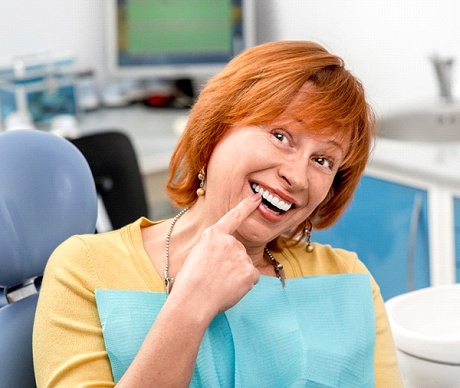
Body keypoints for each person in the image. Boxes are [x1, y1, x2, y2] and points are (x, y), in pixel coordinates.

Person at [33, 40, 403, 387]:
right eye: (280, 135)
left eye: (322, 160)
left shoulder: (349, 280)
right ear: (214, 134)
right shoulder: (83, 269)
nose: (297, 176)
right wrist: (190, 306)